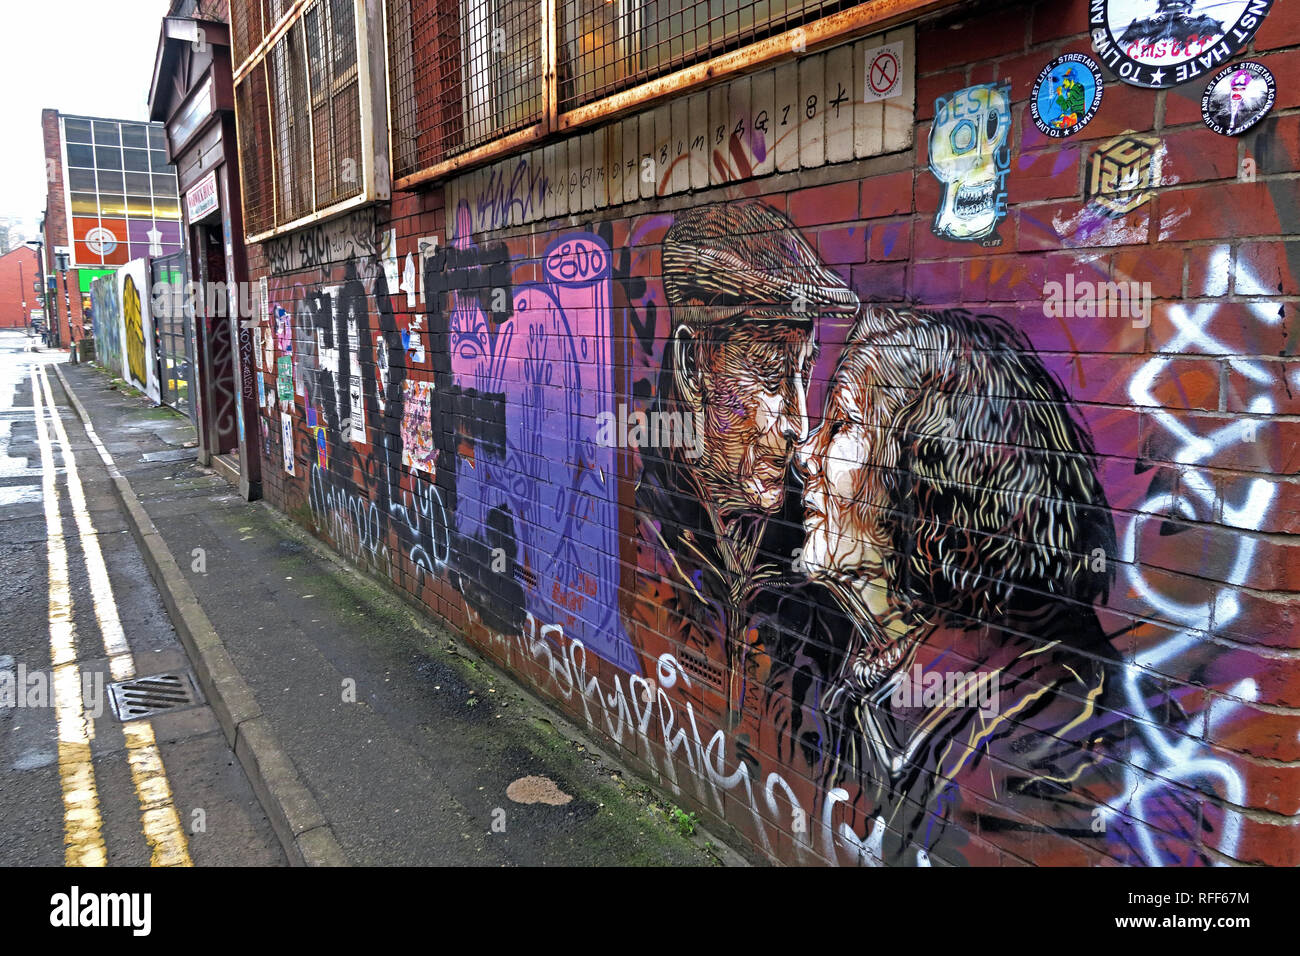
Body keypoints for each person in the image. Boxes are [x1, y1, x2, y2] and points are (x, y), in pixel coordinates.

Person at [792, 303, 1205, 865]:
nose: (805, 455)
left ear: (934, 471)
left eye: (841, 425)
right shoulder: (891, 688)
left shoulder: (1074, 749)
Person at [628, 200, 858, 748]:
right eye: (771, 377)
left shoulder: (821, 550)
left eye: (804, 374)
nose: (800, 424)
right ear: (691, 369)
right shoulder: (643, 525)